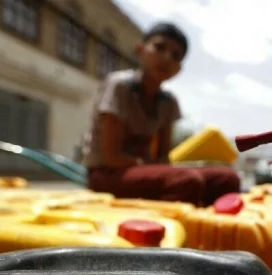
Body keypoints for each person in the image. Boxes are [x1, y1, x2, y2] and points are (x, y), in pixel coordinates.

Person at [81, 22, 240, 205]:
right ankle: (172, 228)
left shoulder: (168, 102)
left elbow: (163, 156)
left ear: (178, 69)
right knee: (186, 181)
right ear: (140, 50)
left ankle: (210, 227)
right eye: (159, 47)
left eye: (176, 55)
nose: (166, 58)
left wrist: (160, 168)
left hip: (141, 171)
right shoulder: (120, 86)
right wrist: (153, 167)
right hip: (106, 174)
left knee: (227, 179)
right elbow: (112, 156)